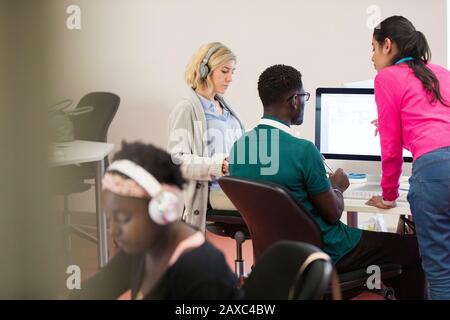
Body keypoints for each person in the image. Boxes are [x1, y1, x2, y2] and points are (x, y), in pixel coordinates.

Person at [229, 64, 426, 299]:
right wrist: (337, 186)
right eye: (304, 97)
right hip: (329, 250)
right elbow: (333, 213)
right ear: (294, 100)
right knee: (416, 248)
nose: (304, 103)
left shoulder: (239, 148)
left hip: (274, 255)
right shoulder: (303, 150)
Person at [70, 142, 238, 300]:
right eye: (110, 219)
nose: (112, 231)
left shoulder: (202, 271)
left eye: (123, 218)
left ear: (162, 208)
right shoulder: (141, 248)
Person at [367, 15, 450, 300]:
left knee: (439, 273)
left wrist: (389, 194)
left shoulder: (387, 77)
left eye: (374, 48)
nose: (372, 57)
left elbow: (390, 149)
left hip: (434, 177)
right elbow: (436, 131)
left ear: (387, 45)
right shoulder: (441, 71)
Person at [168, 42, 244, 231]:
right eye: (225, 71)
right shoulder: (186, 109)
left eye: (233, 72)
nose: (230, 78)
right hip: (214, 191)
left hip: (233, 184)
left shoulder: (223, 107)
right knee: (273, 202)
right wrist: (219, 166)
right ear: (204, 70)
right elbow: (178, 162)